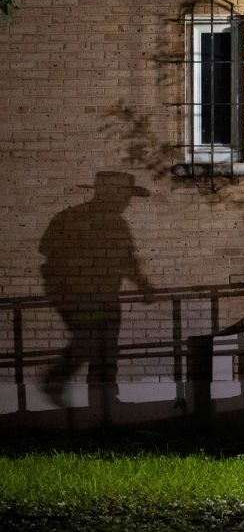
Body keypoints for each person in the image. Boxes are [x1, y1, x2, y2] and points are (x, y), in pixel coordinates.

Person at [40, 171, 153, 415]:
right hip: (80, 294)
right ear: (110, 195)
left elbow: (126, 261)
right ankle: (60, 383)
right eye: (124, 196)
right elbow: (48, 250)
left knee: (105, 348)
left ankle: (103, 403)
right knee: (93, 341)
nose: (126, 202)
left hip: (101, 294)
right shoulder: (84, 220)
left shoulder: (78, 218)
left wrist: (141, 285)